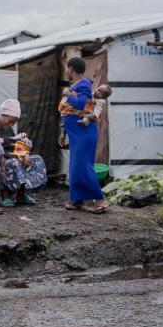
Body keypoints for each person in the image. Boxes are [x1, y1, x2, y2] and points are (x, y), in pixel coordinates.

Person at [61, 57, 108, 214]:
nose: (66, 71)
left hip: (84, 132)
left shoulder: (84, 84)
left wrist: (68, 94)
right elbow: (70, 112)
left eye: (67, 68)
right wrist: (63, 134)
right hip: (75, 133)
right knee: (75, 166)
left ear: (72, 68)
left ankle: (100, 200)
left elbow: (80, 104)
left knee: (83, 166)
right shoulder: (76, 85)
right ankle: (77, 200)